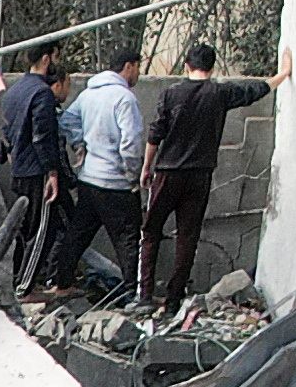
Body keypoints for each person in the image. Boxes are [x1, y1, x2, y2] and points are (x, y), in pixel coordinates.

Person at [133, 70, 278, 309]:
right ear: (210, 69)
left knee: (151, 231)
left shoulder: (172, 93)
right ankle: (173, 299)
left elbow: (155, 134)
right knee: (187, 237)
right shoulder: (220, 93)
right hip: (200, 175)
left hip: (168, 172)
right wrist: (281, 75)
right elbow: (254, 91)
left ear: (188, 65)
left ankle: (145, 295)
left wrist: (146, 167)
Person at [34, 66, 146, 297]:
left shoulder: (88, 94)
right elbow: (131, 143)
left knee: (77, 235)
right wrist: (132, 174)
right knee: (127, 240)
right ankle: (132, 293)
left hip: (89, 180)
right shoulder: (125, 99)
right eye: (137, 68)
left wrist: (80, 142)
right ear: (129, 66)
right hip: (116, 183)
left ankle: (61, 282)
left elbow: (66, 120)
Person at [0, 56, 77, 287]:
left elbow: (7, 128)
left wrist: (3, 154)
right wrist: (53, 174)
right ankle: (25, 286)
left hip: (20, 170)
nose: (68, 92)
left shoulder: (15, 91)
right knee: (42, 231)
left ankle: (29, 279)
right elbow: (44, 139)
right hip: (37, 173)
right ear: (57, 83)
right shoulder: (43, 96)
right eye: (68, 85)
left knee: (29, 229)